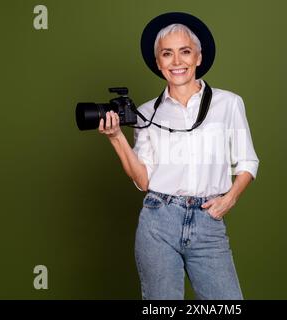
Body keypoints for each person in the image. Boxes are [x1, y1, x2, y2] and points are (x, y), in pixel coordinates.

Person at [98, 12, 259, 300]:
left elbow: (248, 161)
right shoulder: (146, 113)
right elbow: (143, 180)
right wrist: (116, 138)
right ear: (158, 63)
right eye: (167, 54)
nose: (177, 62)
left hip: (208, 222)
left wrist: (229, 199)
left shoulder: (229, 103)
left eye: (185, 52)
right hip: (158, 220)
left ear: (198, 57)